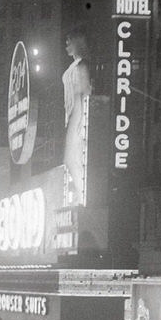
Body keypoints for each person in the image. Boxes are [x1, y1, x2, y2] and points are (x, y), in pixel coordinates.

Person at [62, 28, 92, 207]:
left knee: (73, 158)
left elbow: (83, 93)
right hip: (71, 114)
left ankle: (82, 198)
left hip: (77, 114)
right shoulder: (73, 66)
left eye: (69, 41)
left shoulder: (81, 65)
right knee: (71, 159)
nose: (66, 44)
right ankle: (79, 197)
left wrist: (78, 121)